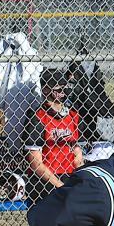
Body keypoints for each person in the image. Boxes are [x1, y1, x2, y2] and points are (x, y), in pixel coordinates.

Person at [22, 68, 84, 197]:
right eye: (58, 89)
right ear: (45, 90)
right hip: (45, 179)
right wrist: (61, 186)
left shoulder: (73, 114)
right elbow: (36, 164)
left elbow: (78, 157)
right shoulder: (37, 117)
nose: (63, 92)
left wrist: (80, 180)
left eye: (65, 87)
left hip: (70, 176)